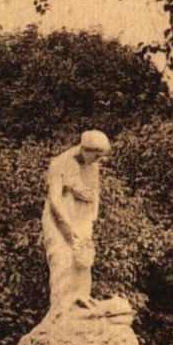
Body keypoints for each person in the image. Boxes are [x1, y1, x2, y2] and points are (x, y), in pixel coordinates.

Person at [42, 130, 110, 310]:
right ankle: (60, 312)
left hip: (82, 217)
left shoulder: (93, 165)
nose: (97, 161)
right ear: (85, 150)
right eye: (95, 156)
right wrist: (71, 229)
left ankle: (80, 305)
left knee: (82, 260)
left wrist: (89, 223)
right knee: (63, 261)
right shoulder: (60, 163)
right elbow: (55, 200)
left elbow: (95, 194)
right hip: (60, 220)